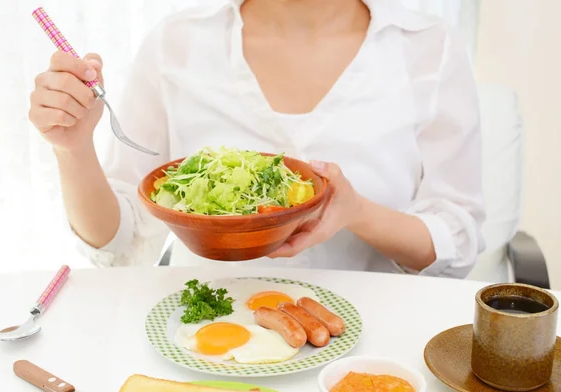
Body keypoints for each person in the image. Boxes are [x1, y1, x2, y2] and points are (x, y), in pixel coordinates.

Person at [28, 0, 485, 278]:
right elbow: (119, 243)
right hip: (203, 341)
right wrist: (74, 149)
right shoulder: (177, 44)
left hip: (368, 350)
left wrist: (356, 212)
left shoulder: (428, 47)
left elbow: (457, 244)